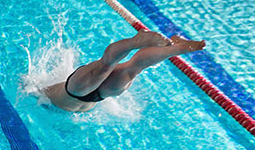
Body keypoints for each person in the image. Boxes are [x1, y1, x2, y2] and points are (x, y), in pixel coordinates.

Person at [43, 31, 205, 112]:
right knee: (109, 64)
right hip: (84, 92)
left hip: (91, 94)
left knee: (131, 67)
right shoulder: (42, 93)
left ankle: (165, 47)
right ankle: (172, 47)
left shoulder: (39, 96)